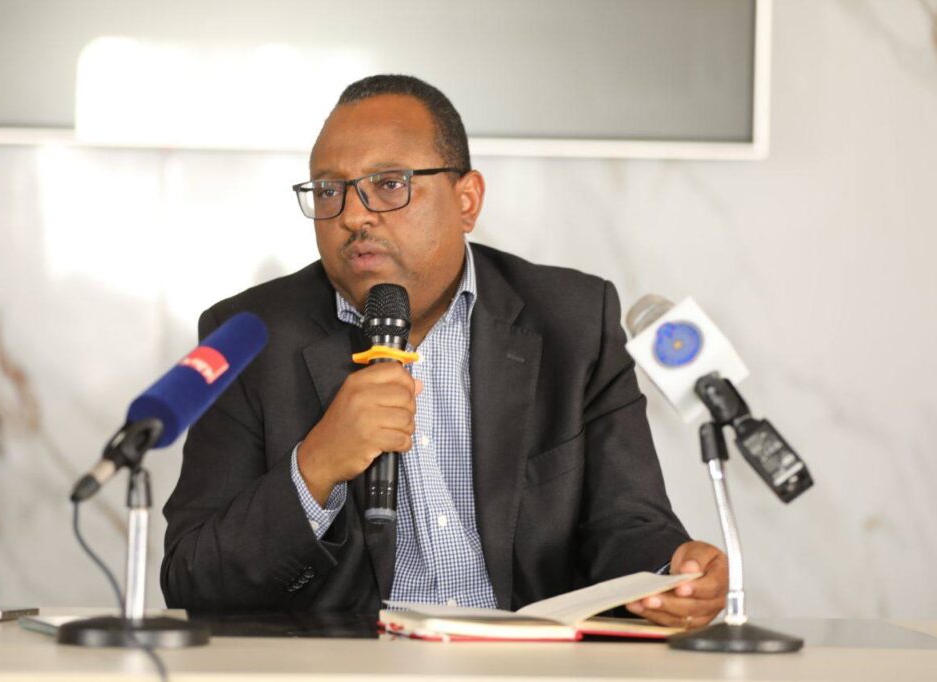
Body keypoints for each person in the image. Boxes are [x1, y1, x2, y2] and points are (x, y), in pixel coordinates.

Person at [161, 74, 727, 629]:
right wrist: (316, 467)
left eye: (389, 184)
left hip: (529, 665)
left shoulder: (572, 322)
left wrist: (671, 573)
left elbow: (626, 524)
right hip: (348, 667)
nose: (353, 216)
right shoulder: (249, 336)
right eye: (329, 191)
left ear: (466, 200)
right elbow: (192, 579)